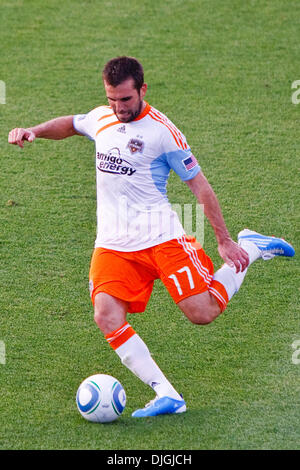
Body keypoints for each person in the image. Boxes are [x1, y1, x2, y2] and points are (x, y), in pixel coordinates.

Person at [8, 56, 295, 418]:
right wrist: (33, 130)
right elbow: (72, 124)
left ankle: (250, 247)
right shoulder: (103, 117)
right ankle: (167, 394)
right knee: (106, 316)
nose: (118, 108)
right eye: (112, 99)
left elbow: (201, 189)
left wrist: (223, 240)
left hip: (162, 238)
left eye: (125, 100)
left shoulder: (164, 133)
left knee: (202, 313)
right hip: (113, 244)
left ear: (142, 90)